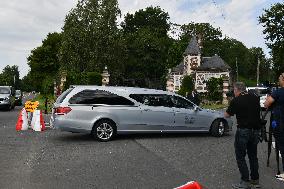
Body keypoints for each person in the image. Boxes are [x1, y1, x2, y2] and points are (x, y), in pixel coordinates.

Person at [224, 82, 261, 189]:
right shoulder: (255, 98)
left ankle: (245, 181)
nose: (233, 92)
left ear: (237, 90)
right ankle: (255, 181)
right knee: (253, 156)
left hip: (243, 131)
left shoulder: (236, 100)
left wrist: (231, 103)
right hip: (255, 131)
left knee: (240, 156)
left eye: (234, 90)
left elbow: (226, 115)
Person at [264, 73, 284, 181]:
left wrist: (269, 98)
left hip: (279, 123)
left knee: (282, 147)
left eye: (279, 79)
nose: (278, 81)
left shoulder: (278, 92)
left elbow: (266, 104)